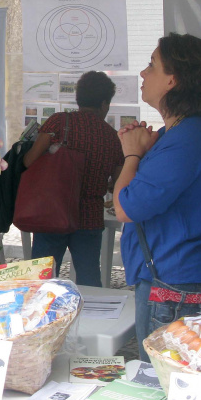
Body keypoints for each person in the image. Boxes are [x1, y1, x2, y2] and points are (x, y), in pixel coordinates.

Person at [113, 33, 201, 362]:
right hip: (171, 278)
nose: (143, 74)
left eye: (151, 65)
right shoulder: (178, 133)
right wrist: (143, 149)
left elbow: (126, 206)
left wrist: (131, 155)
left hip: (175, 286)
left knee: (163, 381)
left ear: (173, 79)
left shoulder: (188, 136)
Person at [22, 71, 124, 285]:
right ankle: (92, 317)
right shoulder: (112, 137)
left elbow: (29, 161)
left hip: (52, 213)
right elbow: (118, 183)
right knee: (89, 280)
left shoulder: (58, 123)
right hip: (89, 218)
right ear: (104, 104)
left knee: (40, 282)